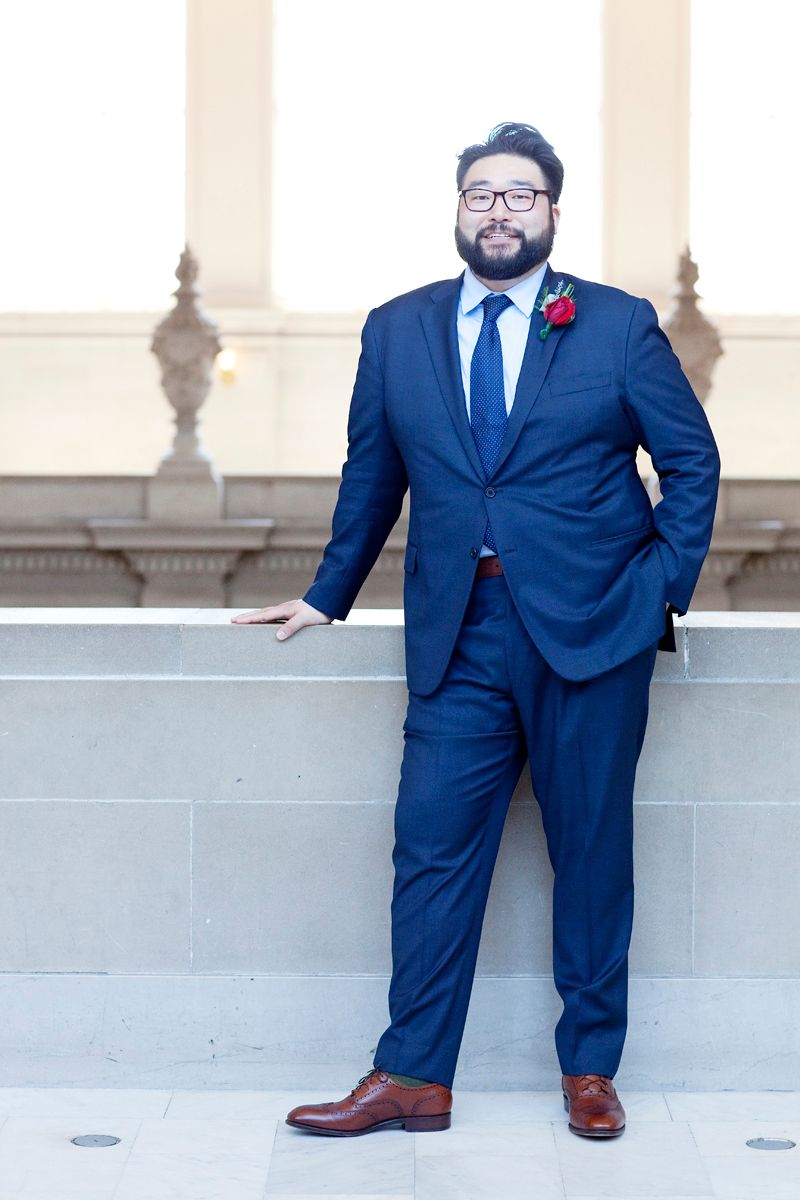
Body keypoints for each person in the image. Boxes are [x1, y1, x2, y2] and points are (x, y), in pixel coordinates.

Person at [232, 122, 720, 1138]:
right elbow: (372, 476)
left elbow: (691, 462)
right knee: (429, 849)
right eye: (480, 194)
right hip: (458, 632)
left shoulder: (616, 324)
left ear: (552, 213)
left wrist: (657, 594)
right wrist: (327, 593)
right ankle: (412, 1075)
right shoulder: (396, 329)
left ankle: (590, 1070)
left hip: (593, 630)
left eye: (519, 194)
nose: (499, 210)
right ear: (459, 210)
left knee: (591, 853)